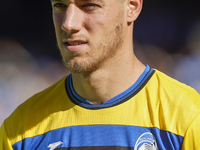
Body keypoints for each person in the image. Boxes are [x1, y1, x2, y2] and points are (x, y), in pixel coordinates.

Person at [1, 0, 200, 149]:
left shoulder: (188, 119)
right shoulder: (20, 130)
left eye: (89, 5)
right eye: (60, 5)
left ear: (132, 6)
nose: (68, 24)